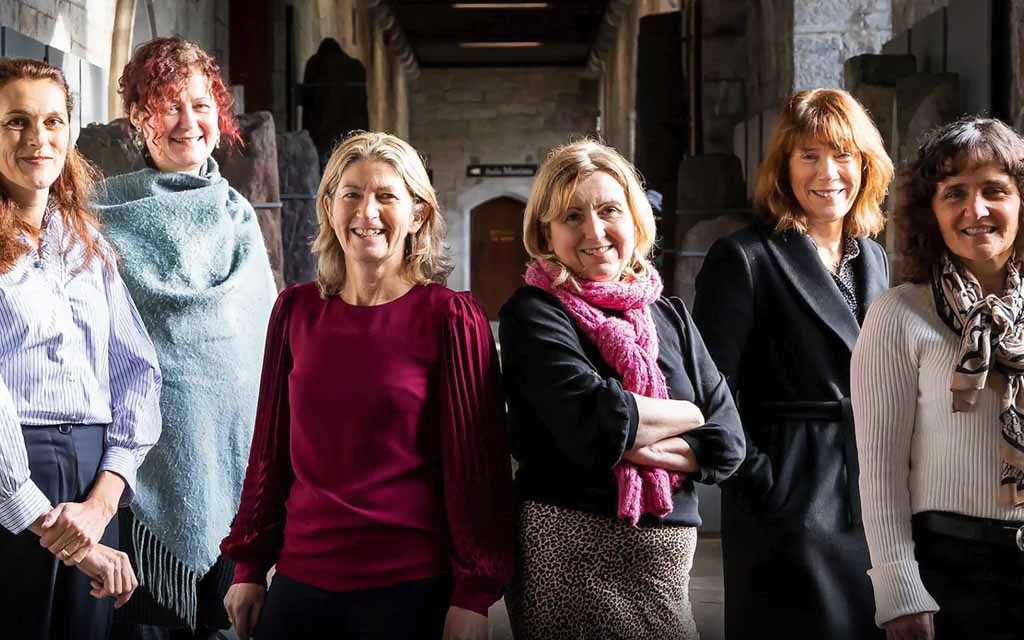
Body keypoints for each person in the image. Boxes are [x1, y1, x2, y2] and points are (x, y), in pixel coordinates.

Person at [219, 131, 515, 640]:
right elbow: (268, 451)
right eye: (351, 193)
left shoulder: (450, 318)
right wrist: (248, 566)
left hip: (410, 589)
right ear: (330, 208)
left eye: (385, 196)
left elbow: (478, 470)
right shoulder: (296, 310)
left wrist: (474, 595)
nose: (367, 212)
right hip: (300, 581)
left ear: (418, 214)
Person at [499, 139, 745, 639]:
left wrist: (636, 433)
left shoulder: (669, 315)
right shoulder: (534, 312)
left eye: (609, 210)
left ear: (634, 218)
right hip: (568, 559)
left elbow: (730, 442)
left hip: (666, 577)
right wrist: (692, 414)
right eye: (571, 216)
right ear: (545, 231)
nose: (594, 231)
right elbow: (594, 422)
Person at [93, 37, 278, 640]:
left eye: (200, 105)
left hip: (232, 471)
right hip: (137, 486)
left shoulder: (238, 216)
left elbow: (266, 350)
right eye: (168, 105)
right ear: (138, 117)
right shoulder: (98, 217)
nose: (187, 123)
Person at [692, 88, 894, 639]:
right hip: (788, 492)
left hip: (867, 486)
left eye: (843, 155)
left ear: (865, 164)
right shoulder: (744, 257)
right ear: (783, 167)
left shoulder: (873, 256)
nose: (829, 172)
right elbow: (710, 389)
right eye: (809, 155)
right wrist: (762, 480)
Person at [0, 57, 160, 639]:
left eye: (52, 121)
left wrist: (101, 505)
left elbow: (137, 373)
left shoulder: (85, 240)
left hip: (95, 481)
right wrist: (51, 526)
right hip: (13, 483)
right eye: (16, 121)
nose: (37, 139)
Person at [852, 117, 1024, 640]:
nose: (976, 210)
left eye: (995, 190)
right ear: (932, 211)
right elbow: (880, 469)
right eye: (955, 193)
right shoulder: (899, 314)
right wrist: (899, 588)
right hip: (949, 570)